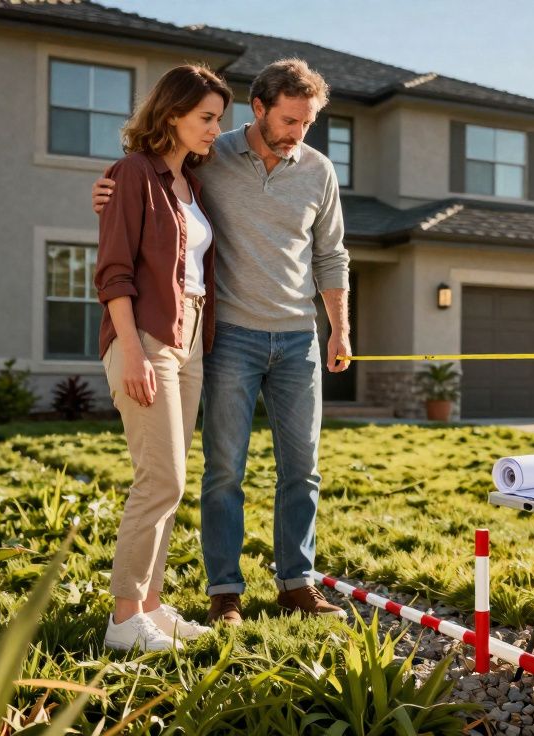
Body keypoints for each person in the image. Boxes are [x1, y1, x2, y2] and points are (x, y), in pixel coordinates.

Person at [95, 58, 350, 624]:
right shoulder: (210, 155)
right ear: (258, 108)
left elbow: (331, 254)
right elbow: (144, 186)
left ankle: (297, 583)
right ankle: (224, 591)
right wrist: (107, 192)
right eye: (289, 120)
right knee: (223, 470)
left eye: (308, 123)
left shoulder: (318, 171)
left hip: (296, 338)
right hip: (227, 334)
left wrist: (340, 327)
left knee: (303, 469)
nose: (298, 133)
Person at [94, 64, 232, 651]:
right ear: (172, 114)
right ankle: (125, 619)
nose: (215, 129)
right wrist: (132, 352)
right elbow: (113, 272)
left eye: (219, 119)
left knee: (171, 482)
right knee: (161, 479)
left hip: (190, 338)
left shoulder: (191, 184)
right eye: (207, 117)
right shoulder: (132, 173)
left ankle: (151, 606)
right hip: (146, 337)